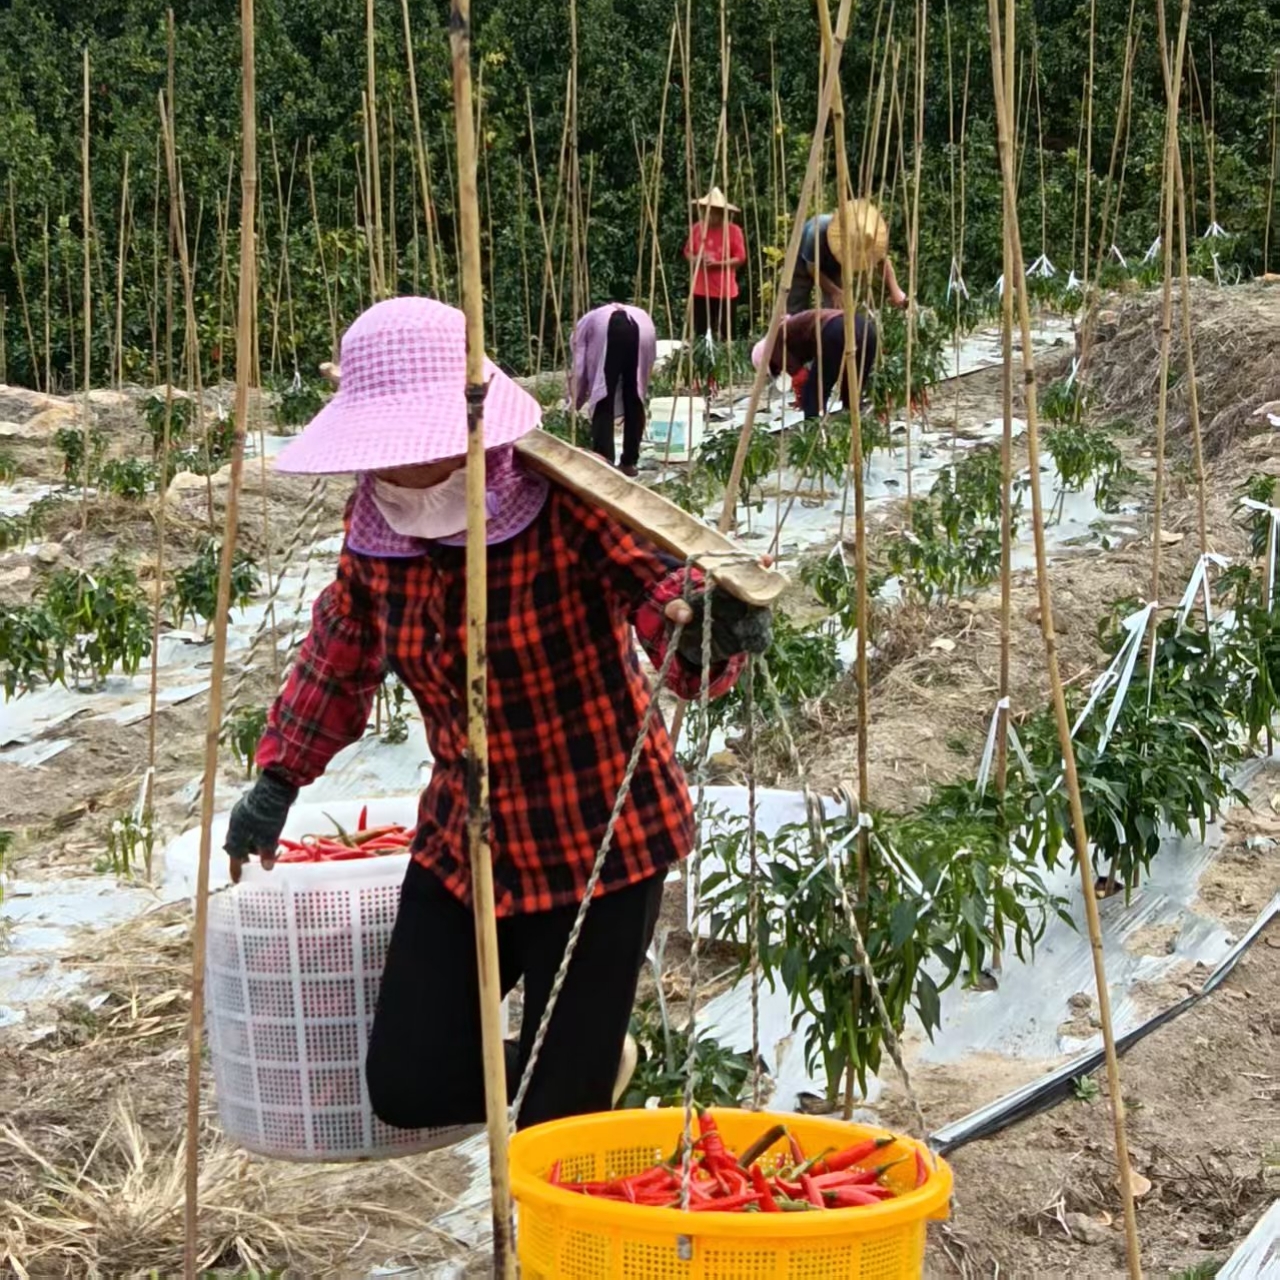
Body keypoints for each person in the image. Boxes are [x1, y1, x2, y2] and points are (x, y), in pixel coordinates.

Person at [223, 297, 771, 1133]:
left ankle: (575, 1080)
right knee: (407, 1082)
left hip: (599, 839)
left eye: (413, 443)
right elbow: (340, 649)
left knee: (558, 1122)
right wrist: (277, 780)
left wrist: (703, 627)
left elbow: (663, 596)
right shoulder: (374, 525)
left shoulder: (563, 501)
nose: (396, 464)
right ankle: (580, 1064)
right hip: (466, 835)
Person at [572, 302, 656, 478]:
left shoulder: (585, 325)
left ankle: (605, 461)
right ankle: (629, 462)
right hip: (644, 330)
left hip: (609, 333)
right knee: (634, 395)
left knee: (603, 397)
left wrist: (574, 400)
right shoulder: (640, 313)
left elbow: (579, 366)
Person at [753, 308, 879, 421]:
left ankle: (812, 428)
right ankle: (852, 423)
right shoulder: (789, 334)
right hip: (865, 328)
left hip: (835, 329)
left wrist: (803, 397)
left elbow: (801, 377)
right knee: (852, 387)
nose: (781, 370)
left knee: (814, 392)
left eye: (776, 369)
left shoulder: (774, 346)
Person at [786, 199, 908, 315]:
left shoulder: (867, 236)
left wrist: (895, 290)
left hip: (836, 264)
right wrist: (834, 291)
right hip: (804, 261)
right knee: (795, 307)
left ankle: (829, 327)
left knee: (837, 308)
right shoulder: (816, 233)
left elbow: (882, 260)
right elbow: (811, 269)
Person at [683, 186, 747, 341]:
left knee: (727, 334)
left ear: (722, 213)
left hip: (725, 290)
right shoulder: (697, 228)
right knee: (701, 334)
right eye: (706, 211)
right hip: (700, 290)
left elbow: (740, 258)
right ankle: (702, 355)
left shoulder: (733, 231)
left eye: (713, 212)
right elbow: (687, 252)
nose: (709, 215)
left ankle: (727, 355)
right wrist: (697, 260)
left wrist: (719, 263)